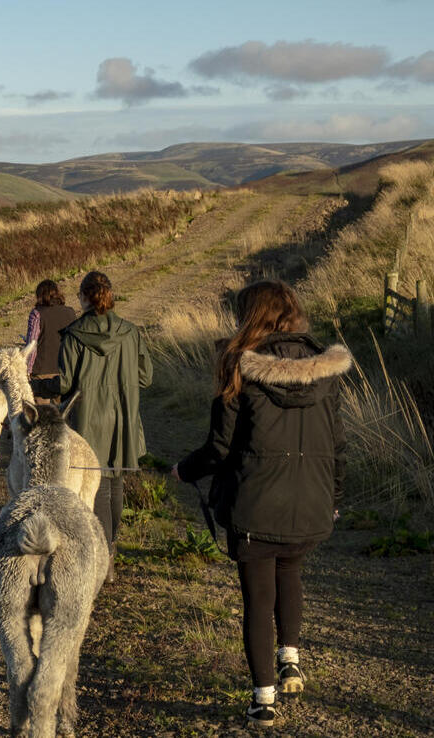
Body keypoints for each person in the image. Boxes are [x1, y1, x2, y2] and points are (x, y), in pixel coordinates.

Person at [171, 280, 349, 730]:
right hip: (311, 500)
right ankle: (290, 659)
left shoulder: (239, 367)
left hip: (256, 504)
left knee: (258, 597)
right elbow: (338, 445)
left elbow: (218, 447)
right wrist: (334, 497)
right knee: (290, 572)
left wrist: (183, 471)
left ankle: (263, 700)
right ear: (292, 312)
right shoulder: (324, 370)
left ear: (249, 316)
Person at [57, 271, 151, 556]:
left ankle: (103, 556)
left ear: (84, 297)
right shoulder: (131, 333)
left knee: (96, 489)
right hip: (123, 419)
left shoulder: (74, 335)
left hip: (87, 421)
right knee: (115, 483)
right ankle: (110, 550)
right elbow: (145, 377)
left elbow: (63, 383)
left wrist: (35, 383)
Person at [24, 279, 78, 402]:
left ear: (39, 296)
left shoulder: (37, 314)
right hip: (65, 372)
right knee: (64, 415)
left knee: (43, 416)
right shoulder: (70, 312)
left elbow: (31, 345)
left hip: (41, 374)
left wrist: (27, 370)